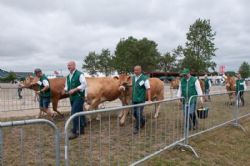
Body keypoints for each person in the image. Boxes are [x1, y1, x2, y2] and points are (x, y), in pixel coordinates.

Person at [63, 61, 87, 140]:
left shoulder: (80, 74)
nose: (68, 67)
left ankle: (75, 131)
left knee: (74, 113)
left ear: (74, 65)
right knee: (79, 112)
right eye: (67, 65)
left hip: (79, 97)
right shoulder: (68, 76)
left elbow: (84, 84)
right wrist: (65, 90)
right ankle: (81, 129)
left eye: (69, 65)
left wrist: (75, 89)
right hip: (72, 98)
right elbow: (67, 86)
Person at [132, 65, 151, 134]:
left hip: (141, 99)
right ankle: (143, 121)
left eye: (137, 70)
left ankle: (137, 127)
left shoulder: (144, 78)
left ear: (140, 70)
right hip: (134, 99)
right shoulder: (133, 78)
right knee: (134, 113)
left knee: (138, 113)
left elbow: (148, 89)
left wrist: (149, 99)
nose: (135, 71)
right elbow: (133, 86)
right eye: (134, 70)